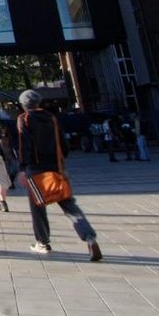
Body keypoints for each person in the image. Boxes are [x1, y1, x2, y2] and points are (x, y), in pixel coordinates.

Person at [16, 90, 102, 261]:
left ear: (23, 104)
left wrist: (22, 168)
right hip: (56, 168)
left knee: (38, 208)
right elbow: (64, 145)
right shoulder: (52, 118)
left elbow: (24, 145)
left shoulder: (24, 119)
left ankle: (42, 242)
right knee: (69, 205)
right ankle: (89, 238)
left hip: (36, 170)